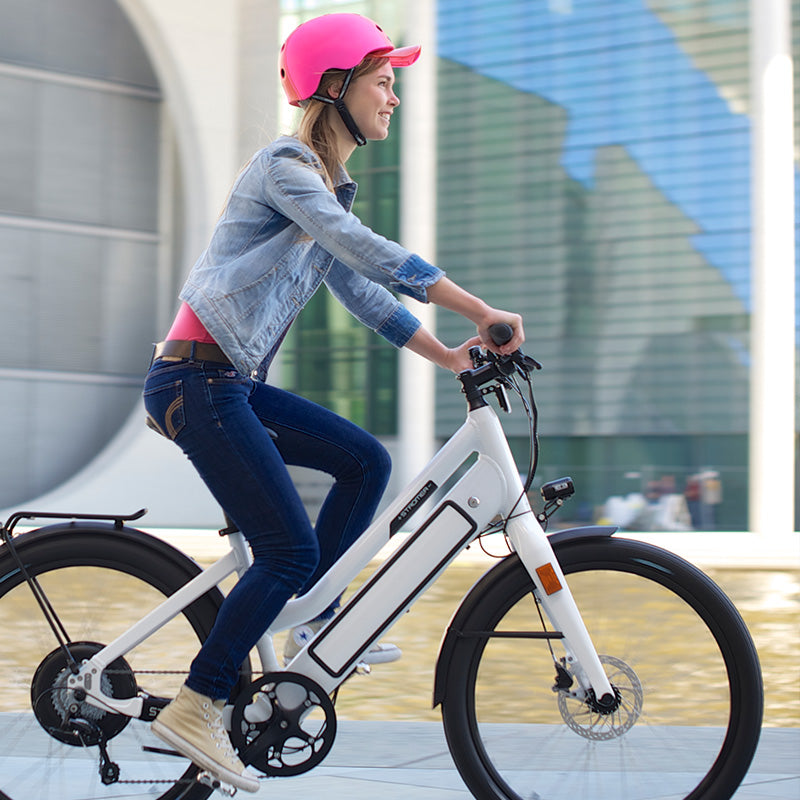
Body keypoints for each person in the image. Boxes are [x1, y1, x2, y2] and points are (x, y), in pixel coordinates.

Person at [144, 12, 524, 792]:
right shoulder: (285, 167)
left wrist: (449, 354)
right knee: (288, 550)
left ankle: (316, 614)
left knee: (365, 460)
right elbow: (368, 254)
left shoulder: (325, 189)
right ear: (336, 86)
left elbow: (365, 295)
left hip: (228, 383)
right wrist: (477, 309)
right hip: (196, 381)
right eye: (385, 82)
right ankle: (197, 702)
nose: (395, 98)